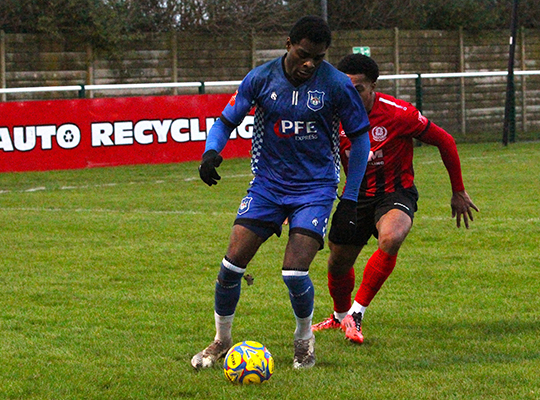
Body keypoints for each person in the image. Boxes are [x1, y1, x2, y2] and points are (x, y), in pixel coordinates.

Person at [191, 16, 371, 369]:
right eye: (304, 54)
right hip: (268, 185)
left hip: (315, 188)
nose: (310, 64)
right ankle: (221, 341)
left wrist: (350, 197)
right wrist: (211, 152)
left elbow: (360, 139)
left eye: (318, 58)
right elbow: (225, 122)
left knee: (294, 273)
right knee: (230, 267)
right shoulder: (261, 78)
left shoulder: (336, 85)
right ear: (288, 44)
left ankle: (304, 340)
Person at [311, 54, 479, 344]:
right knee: (338, 262)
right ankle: (339, 316)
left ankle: (356, 314)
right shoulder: (331, 116)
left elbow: (445, 140)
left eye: (359, 89)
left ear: (373, 86)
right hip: (355, 196)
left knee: (392, 237)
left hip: (395, 193)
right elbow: (314, 160)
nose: (352, 96)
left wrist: (458, 190)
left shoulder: (398, 113)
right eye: (346, 89)